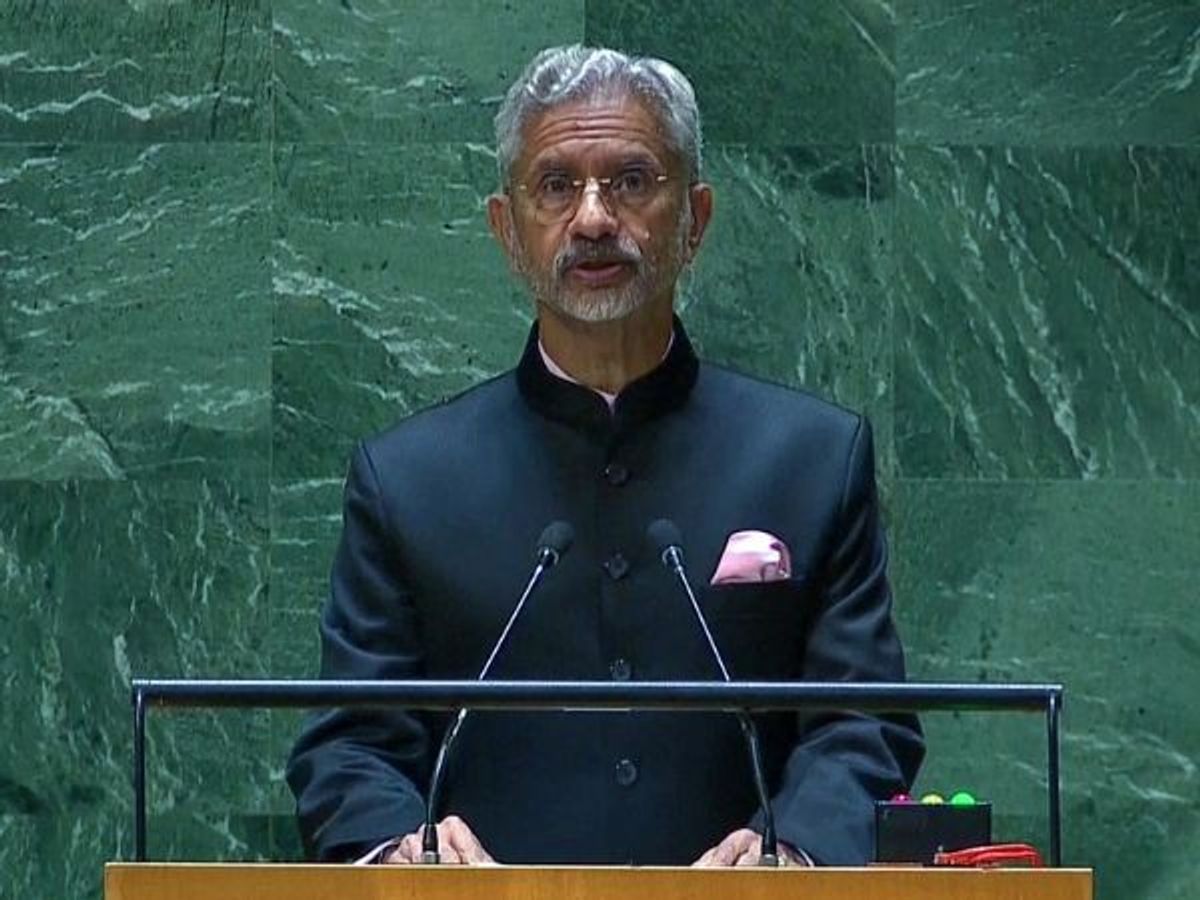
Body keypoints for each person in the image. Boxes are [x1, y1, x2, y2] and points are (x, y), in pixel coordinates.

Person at [286, 44, 923, 867]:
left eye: (631, 181)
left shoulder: (811, 459)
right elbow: (350, 744)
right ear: (507, 230)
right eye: (556, 185)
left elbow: (862, 724)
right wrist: (402, 856)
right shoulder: (406, 479)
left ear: (695, 220)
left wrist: (792, 857)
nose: (592, 218)